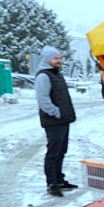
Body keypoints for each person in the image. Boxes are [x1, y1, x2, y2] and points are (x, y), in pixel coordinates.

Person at [35, 46, 77, 197]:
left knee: (61, 151)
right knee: (53, 153)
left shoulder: (56, 74)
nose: (59, 60)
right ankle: (51, 184)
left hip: (62, 120)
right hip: (54, 121)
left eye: (60, 58)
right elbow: (43, 99)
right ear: (47, 60)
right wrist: (56, 112)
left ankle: (59, 180)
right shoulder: (43, 76)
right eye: (55, 58)